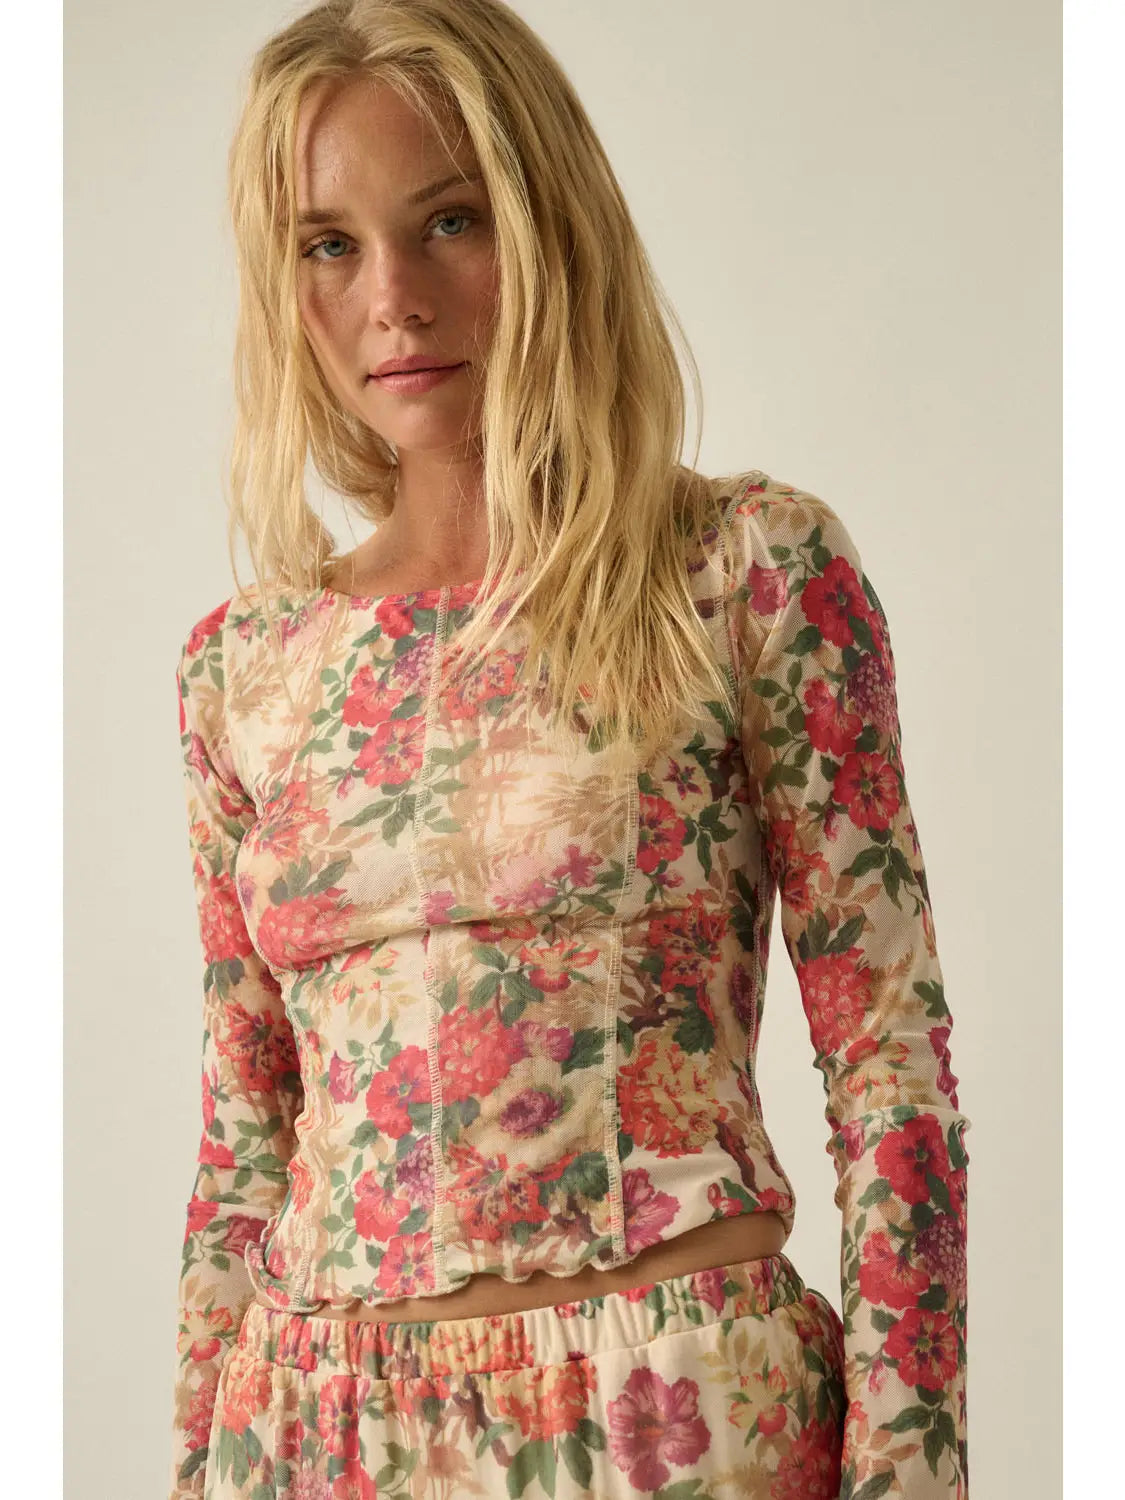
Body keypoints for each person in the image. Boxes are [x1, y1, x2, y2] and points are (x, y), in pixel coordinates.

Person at [167, 2, 971, 1496]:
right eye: (328, 244)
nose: (392, 299)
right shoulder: (243, 670)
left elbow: (888, 1069)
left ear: (550, 227)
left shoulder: (744, 572)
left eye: (450, 221)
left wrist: (909, 1469)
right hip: (313, 1432)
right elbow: (244, 1142)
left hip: (671, 1419)